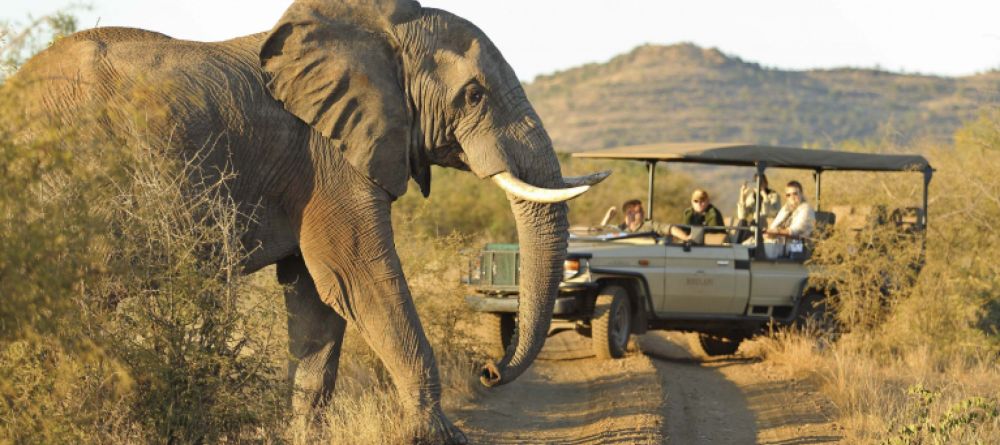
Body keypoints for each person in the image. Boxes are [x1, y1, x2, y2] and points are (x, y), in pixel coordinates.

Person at [736, 174, 781, 242]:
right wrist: (742, 196)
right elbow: (741, 216)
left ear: (766, 183)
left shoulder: (774, 195)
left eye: (760, 182)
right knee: (742, 222)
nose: (758, 185)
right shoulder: (752, 197)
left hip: (768, 225)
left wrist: (764, 196)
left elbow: (770, 213)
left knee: (759, 219)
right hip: (755, 225)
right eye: (756, 182)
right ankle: (737, 245)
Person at [601, 199, 672, 235]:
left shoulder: (649, 225)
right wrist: (607, 218)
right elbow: (600, 232)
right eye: (640, 210)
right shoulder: (619, 229)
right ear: (629, 212)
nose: (643, 212)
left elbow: (670, 229)